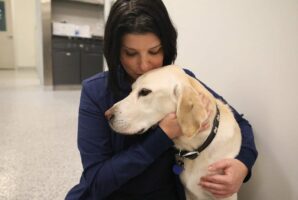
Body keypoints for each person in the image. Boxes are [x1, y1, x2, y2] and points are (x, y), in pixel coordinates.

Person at [65, 0, 258, 199]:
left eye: (154, 51)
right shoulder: (95, 91)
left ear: (166, 46)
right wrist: (163, 136)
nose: (144, 65)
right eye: (131, 53)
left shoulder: (178, 79)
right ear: (116, 51)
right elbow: (97, 183)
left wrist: (242, 165)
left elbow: (239, 122)